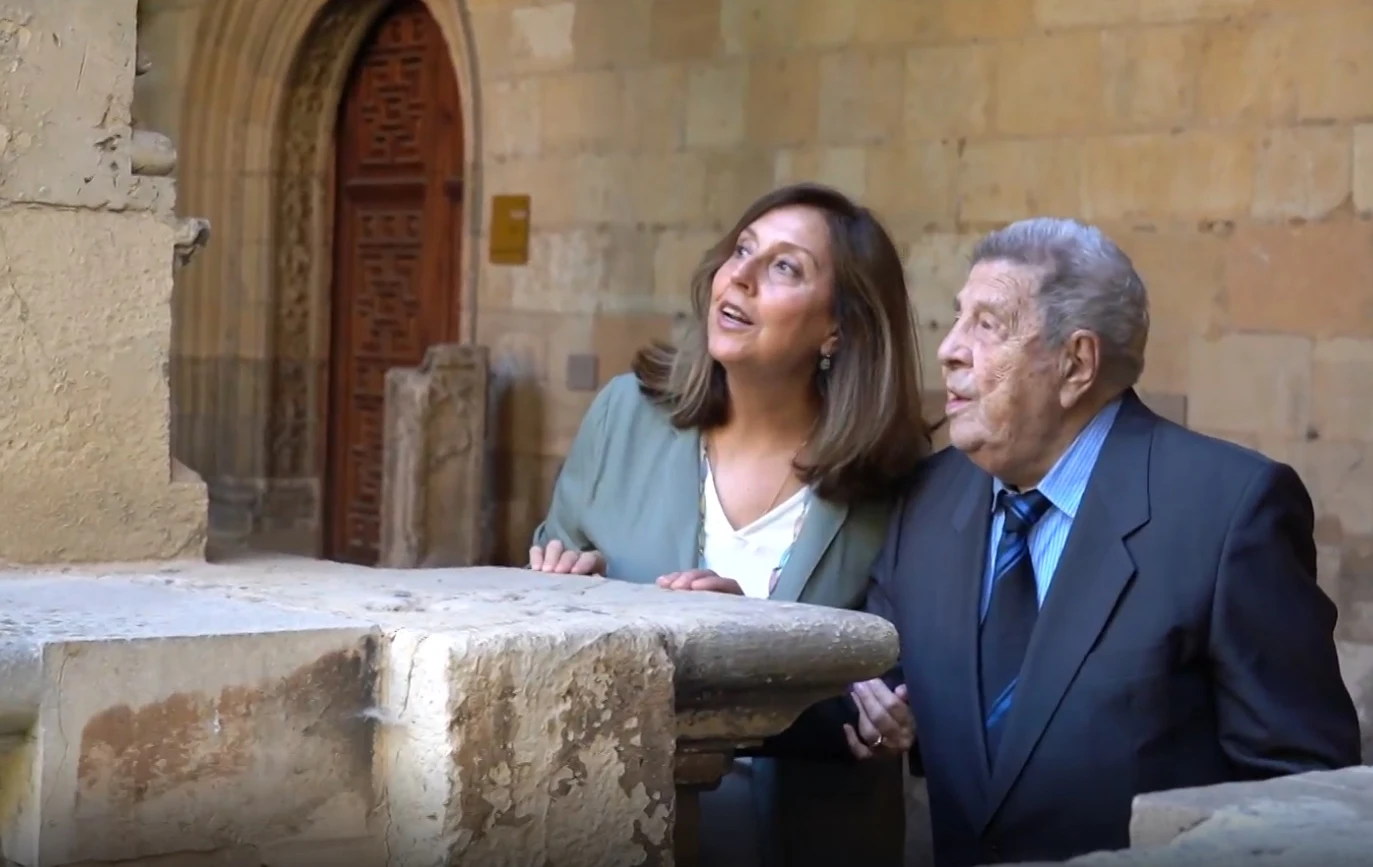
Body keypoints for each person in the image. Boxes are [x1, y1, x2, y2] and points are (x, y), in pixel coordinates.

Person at [848, 217, 1362, 867]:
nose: (950, 348)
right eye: (957, 318)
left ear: (1076, 362)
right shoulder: (923, 499)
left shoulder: (1228, 511)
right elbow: (877, 680)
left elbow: (1301, 792)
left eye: (987, 324)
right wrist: (866, 702)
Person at [530, 182, 931, 866]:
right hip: (625, 824)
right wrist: (559, 582)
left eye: (784, 266)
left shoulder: (891, 476)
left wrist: (887, 703)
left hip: (814, 839)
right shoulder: (625, 414)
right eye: (740, 250)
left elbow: (917, 662)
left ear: (837, 327)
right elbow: (550, 561)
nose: (739, 275)